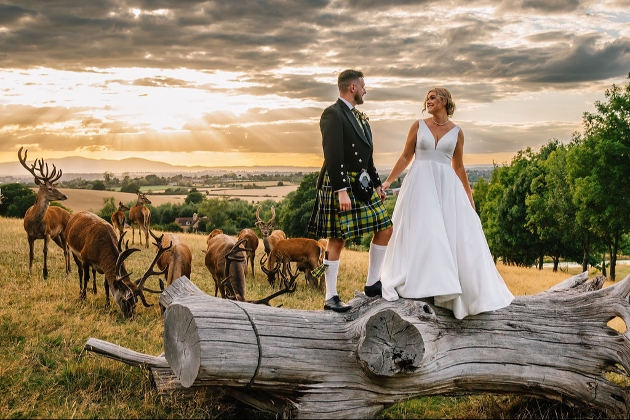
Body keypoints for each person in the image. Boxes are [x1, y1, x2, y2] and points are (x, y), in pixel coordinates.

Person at [379, 87, 513, 319]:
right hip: (420, 185)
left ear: (444, 101)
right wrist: (388, 182)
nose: (428, 101)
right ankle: (419, 287)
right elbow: (405, 156)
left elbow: (458, 166)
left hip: (445, 187)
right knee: (425, 233)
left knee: (447, 235)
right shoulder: (418, 126)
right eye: (427, 98)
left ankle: (445, 289)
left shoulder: (457, 132)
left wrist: (468, 197)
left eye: (432, 97)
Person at [308, 69, 393, 312]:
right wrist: (341, 190)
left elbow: (368, 157)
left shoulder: (360, 117)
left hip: (362, 183)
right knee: (337, 239)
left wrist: (377, 184)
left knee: (385, 227)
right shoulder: (332, 114)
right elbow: (333, 155)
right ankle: (330, 296)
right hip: (343, 183)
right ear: (352, 88)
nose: (365, 90)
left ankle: (372, 283)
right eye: (363, 86)